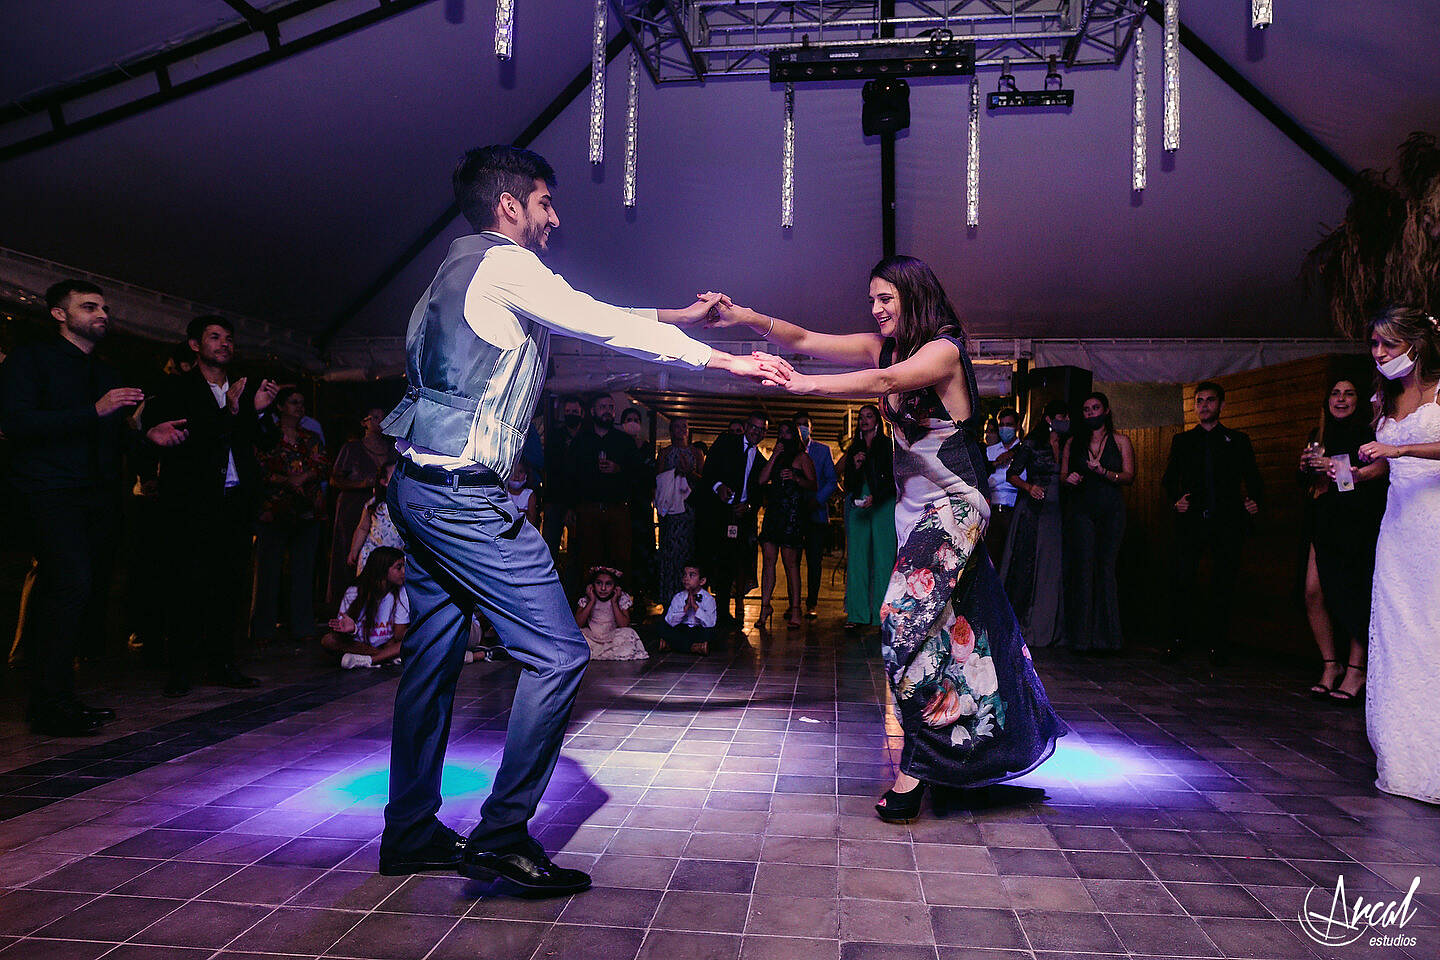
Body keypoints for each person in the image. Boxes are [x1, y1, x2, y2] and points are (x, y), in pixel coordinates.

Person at [375, 144, 773, 894]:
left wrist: (674, 314)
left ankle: (411, 832)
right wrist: (723, 362)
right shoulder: (505, 263)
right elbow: (594, 321)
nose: (555, 218)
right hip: (464, 499)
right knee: (558, 655)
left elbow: (583, 311)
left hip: (417, 487)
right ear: (510, 206)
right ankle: (499, 838)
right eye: (546, 202)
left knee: (429, 666)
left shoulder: (446, 274)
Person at [707, 255, 1064, 822]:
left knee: (899, 624)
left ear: (914, 297)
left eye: (885, 300)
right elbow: (802, 336)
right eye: (871, 300)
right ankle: (963, 763)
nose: (874, 311)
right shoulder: (884, 344)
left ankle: (916, 771)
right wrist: (744, 317)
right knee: (951, 640)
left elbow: (885, 383)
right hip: (912, 510)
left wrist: (803, 384)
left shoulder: (943, 351)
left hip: (955, 508)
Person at [0, 280, 134, 735]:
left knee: (78, 592)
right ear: (60, 314)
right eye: (90, 306)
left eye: (106, 308)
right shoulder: (30, 360)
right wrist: (92, 412)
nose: (103, 314)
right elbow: (16, 424)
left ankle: (58, 697)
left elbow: (112, 434)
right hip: (47, 491)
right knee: (68, 584)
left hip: (95, 495)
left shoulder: (105, 371)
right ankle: (48, 703)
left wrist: (145, 436)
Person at [142, 315, 276, 697]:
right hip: (191, 503)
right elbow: (189, 437)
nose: (224, 344)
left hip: (234, 502)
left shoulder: (242, 389)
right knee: (186, 585)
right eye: (214, 337)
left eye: (229, 338)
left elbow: (261, 443)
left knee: (228, 586)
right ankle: (180, 669)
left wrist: (261, 409)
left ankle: (223, 663)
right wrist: (229, 411)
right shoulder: (177, 388)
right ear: (195, 345)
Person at [1356, 306, 1440, 803]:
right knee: (1397, 633)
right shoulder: (1383, 397)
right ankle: (1406, 759)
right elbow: (1378, 467)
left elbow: (1404, 452)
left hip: (1435, 523)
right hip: (1398, 529)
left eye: (1388, 344)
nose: (1380, 354)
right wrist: (1340, 469)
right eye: (1375, 346)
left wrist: (1399, 452)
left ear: (1417, 343)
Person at [1160, 381, 1263, 665]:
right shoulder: (1183, 441)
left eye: (1210, 400)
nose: (1204, 405)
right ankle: (1178, 640)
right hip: (1191, 521)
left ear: (1221, 405)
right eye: (1199, 401)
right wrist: (1176, 501)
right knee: (1183, 581)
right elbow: (1169, 479)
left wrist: (1254, 500)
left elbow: (1253, 477)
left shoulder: (1237, 440)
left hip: (1227, 521)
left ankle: (1218, 644)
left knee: (1223, 584)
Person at [1298, 378, 1386, 703]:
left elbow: (1380, 470)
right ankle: (1329, 664)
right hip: (1321, 518)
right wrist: (1305, 466)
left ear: (1358, 399)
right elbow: (1306, 481)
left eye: (1349, 393)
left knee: (1353, 594)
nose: (1341, 399)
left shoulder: (1369, 432)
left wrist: (1338, 467)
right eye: (1335, 393)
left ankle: (1355, 669)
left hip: (1356, 521)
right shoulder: (1317, 434)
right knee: (1312, 591)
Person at [252, 386, 329, 646]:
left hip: (306, 512)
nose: (299, 407)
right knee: (268, 572)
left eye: (302, 403)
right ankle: (262, 629)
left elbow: (321, 465)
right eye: (294, 402)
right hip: (274, 511)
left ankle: (302, 626)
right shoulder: (267, 436)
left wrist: (302, 478)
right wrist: (287, 480)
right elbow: (259, 468)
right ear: (281, 406)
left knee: (303, 571)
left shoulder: (311, 437)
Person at [1060, 392, 1134, 653]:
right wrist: (1069, 479)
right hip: (1081, 510)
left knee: (1106, 570)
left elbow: (1129, 475)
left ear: (1106, 410)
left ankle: (1109, 639)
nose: (1091, 413)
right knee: (1083, 570)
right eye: (1087, 409)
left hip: (1111, 510)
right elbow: (1063, 475)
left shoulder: (1121, 441)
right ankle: (1081, 639)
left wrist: (1104, 472)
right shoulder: (1073, 442)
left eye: (1095, 408)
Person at [1000, 401, 1069, 649]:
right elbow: (1012, 474)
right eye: (1062, 415)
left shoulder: (1070, 442)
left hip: (1059, 509)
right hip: (1035, 510)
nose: (1066, 420)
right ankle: (1026, 626)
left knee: (1054, 568)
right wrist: (1030, 487)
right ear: (1050, 419)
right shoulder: (1032, 443)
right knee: (1029, 566)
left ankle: (1052, 628)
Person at [699, 410, 768, 625]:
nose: (756, 432)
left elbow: (758, 491)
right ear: (746, 427)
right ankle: (700, 610)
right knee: (707, 560)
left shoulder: (760, 459)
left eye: (762, 429)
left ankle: (723, 611)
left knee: (730, 563)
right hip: (714, 513)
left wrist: (748, 506)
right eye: (754, 427)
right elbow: (709, 470)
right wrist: (718, 487)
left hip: (739, 518)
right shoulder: (726, 441)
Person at [328, 407, 398, 605]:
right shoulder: (352, 448)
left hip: (385, 508)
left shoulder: (392, 448)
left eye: (383, 418)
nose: (380, 422)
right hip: (355, 506)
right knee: (350, 553)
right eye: (375, 418)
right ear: (364, 422)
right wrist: (364, 483)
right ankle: (347, 606)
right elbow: (335, 479)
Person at [570, 394, 637, 588]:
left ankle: (621, 607)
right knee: (589, 560)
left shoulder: (624, 441)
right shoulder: (581, 441)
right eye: (602, 407)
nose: (607, 411)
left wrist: (619, 469)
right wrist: (571, 508)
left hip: (617, 509)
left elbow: (638, 474)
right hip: (588, 509)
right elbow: (570, 475)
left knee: (620, 559)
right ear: (593, 411)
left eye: (610, 407)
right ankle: (588, 608)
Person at [755, 420, 817, 628]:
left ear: (795, 436)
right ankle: (765, 607)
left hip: (792, 514)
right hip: (773, 513)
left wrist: (796, 478)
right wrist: (774, 456)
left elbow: (813, 484)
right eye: (780, 433)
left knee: (791, 565)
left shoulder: (802, 458)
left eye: (787, 433)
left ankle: (796, 610)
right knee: (768, 563)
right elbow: (761, 480)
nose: (783, 436)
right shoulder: (776, 456)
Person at [840, 403, 896, 631]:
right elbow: (847, 483)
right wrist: (855, 465)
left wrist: (877, 496)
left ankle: (880, 616)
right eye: (861, 417)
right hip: (858, 502)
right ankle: (857, 614)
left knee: (884, 560)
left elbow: (893, 479)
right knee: (857, 560)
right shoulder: (854, 448)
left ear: (877, 420)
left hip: (883, 502)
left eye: (869, 416)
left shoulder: (886, 446)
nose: (864, 420)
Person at [323, 546, 408, 669]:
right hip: (360, 646)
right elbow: (342, 632)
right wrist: (352, 630)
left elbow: (399, 635)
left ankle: (369, 661)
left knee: (410, 641)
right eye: (398, 567)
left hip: (386, 645)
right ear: (382, 569)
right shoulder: (353, 592)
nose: (404, 572)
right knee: (329, 640)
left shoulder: (400, 592)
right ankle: (385, 657)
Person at [793, 412, 838, 618]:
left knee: (814, 562)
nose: (802, 428)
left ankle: (812, 603)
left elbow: (831, 480)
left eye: (806, 425)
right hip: (793, 514)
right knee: (791, 561)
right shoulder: (790, 451)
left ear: (812, 428)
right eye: (799, 425)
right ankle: (793, 604)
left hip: (817, 513)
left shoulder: (822, 450)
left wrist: (817, 500)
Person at [655, 416, 703, 602]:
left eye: (684, 426)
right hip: (671, 512)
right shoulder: (665, 453)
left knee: (687, 553)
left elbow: (703, 482)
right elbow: (659, 481)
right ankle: (669, 597)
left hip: (689, 510)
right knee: (670, 554)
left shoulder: (696, 452)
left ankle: (689, 598)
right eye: (677, 427)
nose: (681, 430)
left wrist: (688, 473)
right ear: (671, 430)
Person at [542, 393, 584, 584]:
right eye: (568, 412)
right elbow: (551, 469)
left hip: (580, 501)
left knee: (578, 549)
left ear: (582, 413)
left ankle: (573, 587)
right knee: (549, 547)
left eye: (574, 411)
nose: (571, 414)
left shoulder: (587, 437)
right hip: (555, 499)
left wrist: (574, 506)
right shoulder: (556, 436)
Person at [619, 406, 658, 602]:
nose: (632, 422)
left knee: (643, 550)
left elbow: (650, 477)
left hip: (642, 507)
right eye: (629, 419)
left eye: (636, 419)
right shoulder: (618, 445)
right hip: (622, 505)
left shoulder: (647, 448)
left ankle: (642, 594)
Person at [575, 565, 645, 660]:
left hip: (613, 638)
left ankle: (610, 652)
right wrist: (591, 601)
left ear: (615, 586)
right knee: (577, 635)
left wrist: (614, 602)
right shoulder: (587, 599)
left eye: (608, 584)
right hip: (593, 638)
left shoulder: (621, 599)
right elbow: (578, 624)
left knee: (628, 633)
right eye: (599, 583)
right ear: (592, 585)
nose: (603, 588)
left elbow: (624, 624)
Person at [985, 407, 1023, 568]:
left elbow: (1022, 479)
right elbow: (987, 479)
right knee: (993, 559)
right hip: (993, 511)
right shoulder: (990, 451)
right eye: (1002, 425)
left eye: (1009, 424)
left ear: (1017, 426)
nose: (1004, 428)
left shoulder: (1023, 450)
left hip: (1015, 511)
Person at [349, 461, 403, 571]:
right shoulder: (374, 504)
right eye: (395, 473)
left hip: (396, 559)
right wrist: (354, 550)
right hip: (373, 555)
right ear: (384, 482)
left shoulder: (404, 504)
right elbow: (362, 528)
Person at [658, 562, 717, 655]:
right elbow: (670, 621)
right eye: (685, 575)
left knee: (713, 633)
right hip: (682, 630)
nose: (686, 578)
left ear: (702, 581)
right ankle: (695, 647)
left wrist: (696, 607)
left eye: (691, 575)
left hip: (699, 630)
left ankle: (672, 645)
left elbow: (710, 623)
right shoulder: (678, 597)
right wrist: (684, 610)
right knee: (663, 627)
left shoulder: (709, 599)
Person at [505, 457, 541, 527]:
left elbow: (532, 521)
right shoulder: (503, 492)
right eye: (513, 472)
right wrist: (523, 512)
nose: (516, 476)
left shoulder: (529, 494)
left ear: (526, 475)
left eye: (520, 472)